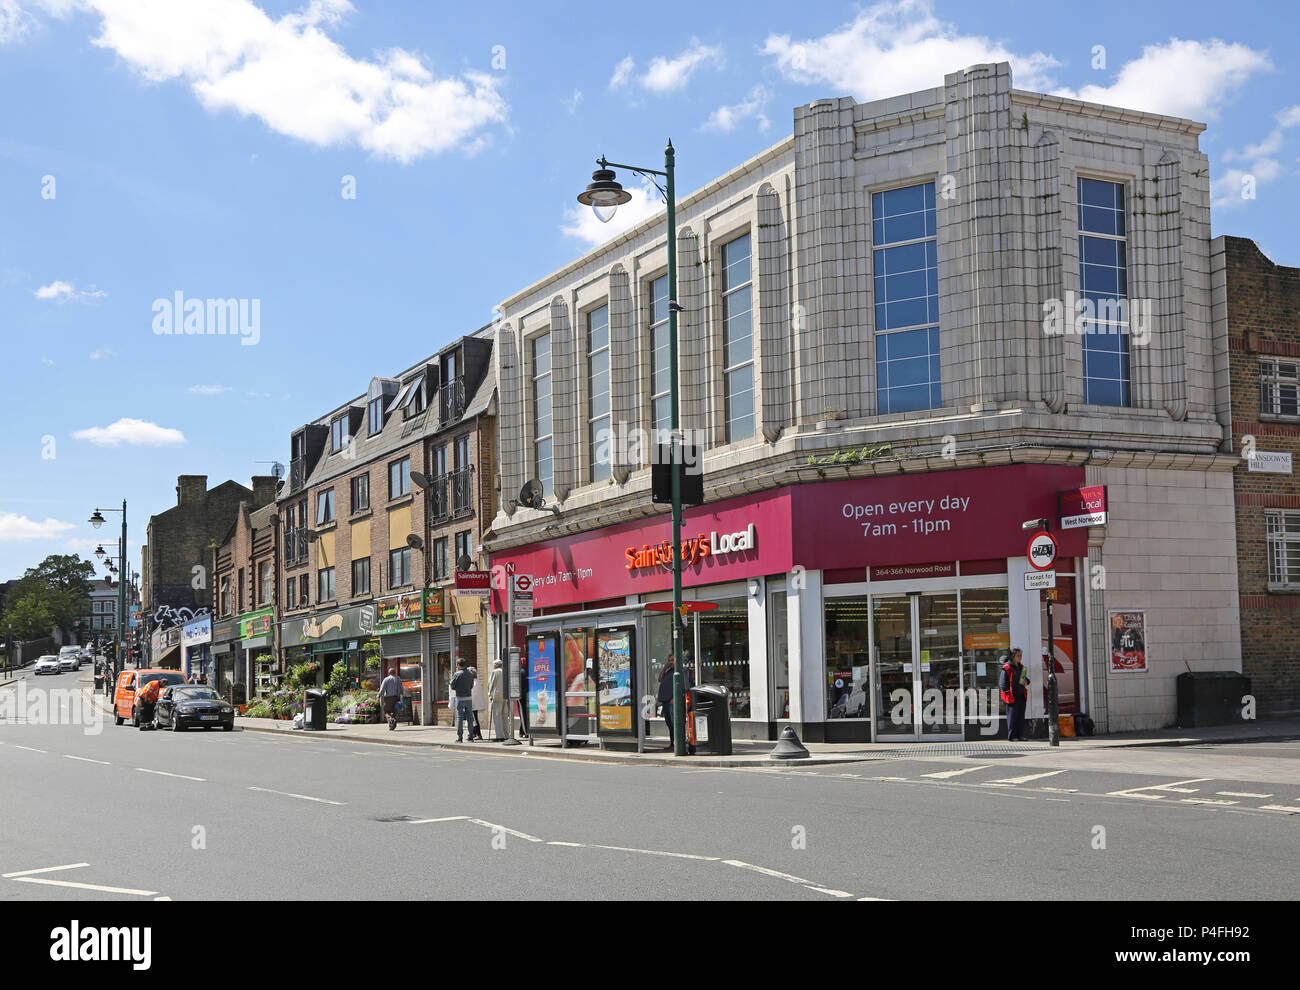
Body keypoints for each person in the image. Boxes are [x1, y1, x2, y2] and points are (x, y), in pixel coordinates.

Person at [999, 648, 1030, 741]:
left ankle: (1020, 735)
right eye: (1018, 655)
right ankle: (1012, 736)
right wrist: (1008, 693)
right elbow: (1002, 684)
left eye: (1021, 655)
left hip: (1021, 695)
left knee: (1021, 717)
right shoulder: (1007, 667)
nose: (1020, 657)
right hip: (1012, 696)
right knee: (1012, 717)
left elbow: (1026, 679)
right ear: (1013, 656)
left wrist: (1027, 682)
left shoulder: (1021, 667)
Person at [450, 659, 475, 743]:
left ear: (458, 665)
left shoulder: (457, 674)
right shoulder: (470, 674)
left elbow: (452, 686)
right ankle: (471, 736)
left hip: (460, 698)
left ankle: (460, 737)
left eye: (456, 665)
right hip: (469, 698)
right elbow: (471, 686)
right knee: (470, 718)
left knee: (460, 718)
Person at [657, 655, 676, 749]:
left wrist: (674, 698)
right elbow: (659, 679)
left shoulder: (679, 671)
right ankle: (672, 743)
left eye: (672, 660)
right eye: (669, 660)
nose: (670, 662)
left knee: (674, 723)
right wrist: (664, 668)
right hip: (665, 700)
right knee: (669, 723)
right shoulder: (668, 671)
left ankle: (677, 743)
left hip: (672, 701)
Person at [487, 658, 508, 742]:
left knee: (497, 716)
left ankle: (499, 735)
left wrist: (490, 694)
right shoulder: (504, 671)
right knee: (504, 716)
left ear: (495, 665)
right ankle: (506, 734)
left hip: (496, 695)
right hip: (504, 695)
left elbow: (491, 684)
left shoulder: (495, 672)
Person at [469, 664, 487, 740]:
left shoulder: (473, 682)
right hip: (475, 704)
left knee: (474, 719)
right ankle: (474, 733)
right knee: (474, 719)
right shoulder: (476, 681)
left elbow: (472, 694)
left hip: (473, 704)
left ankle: (478, 734)